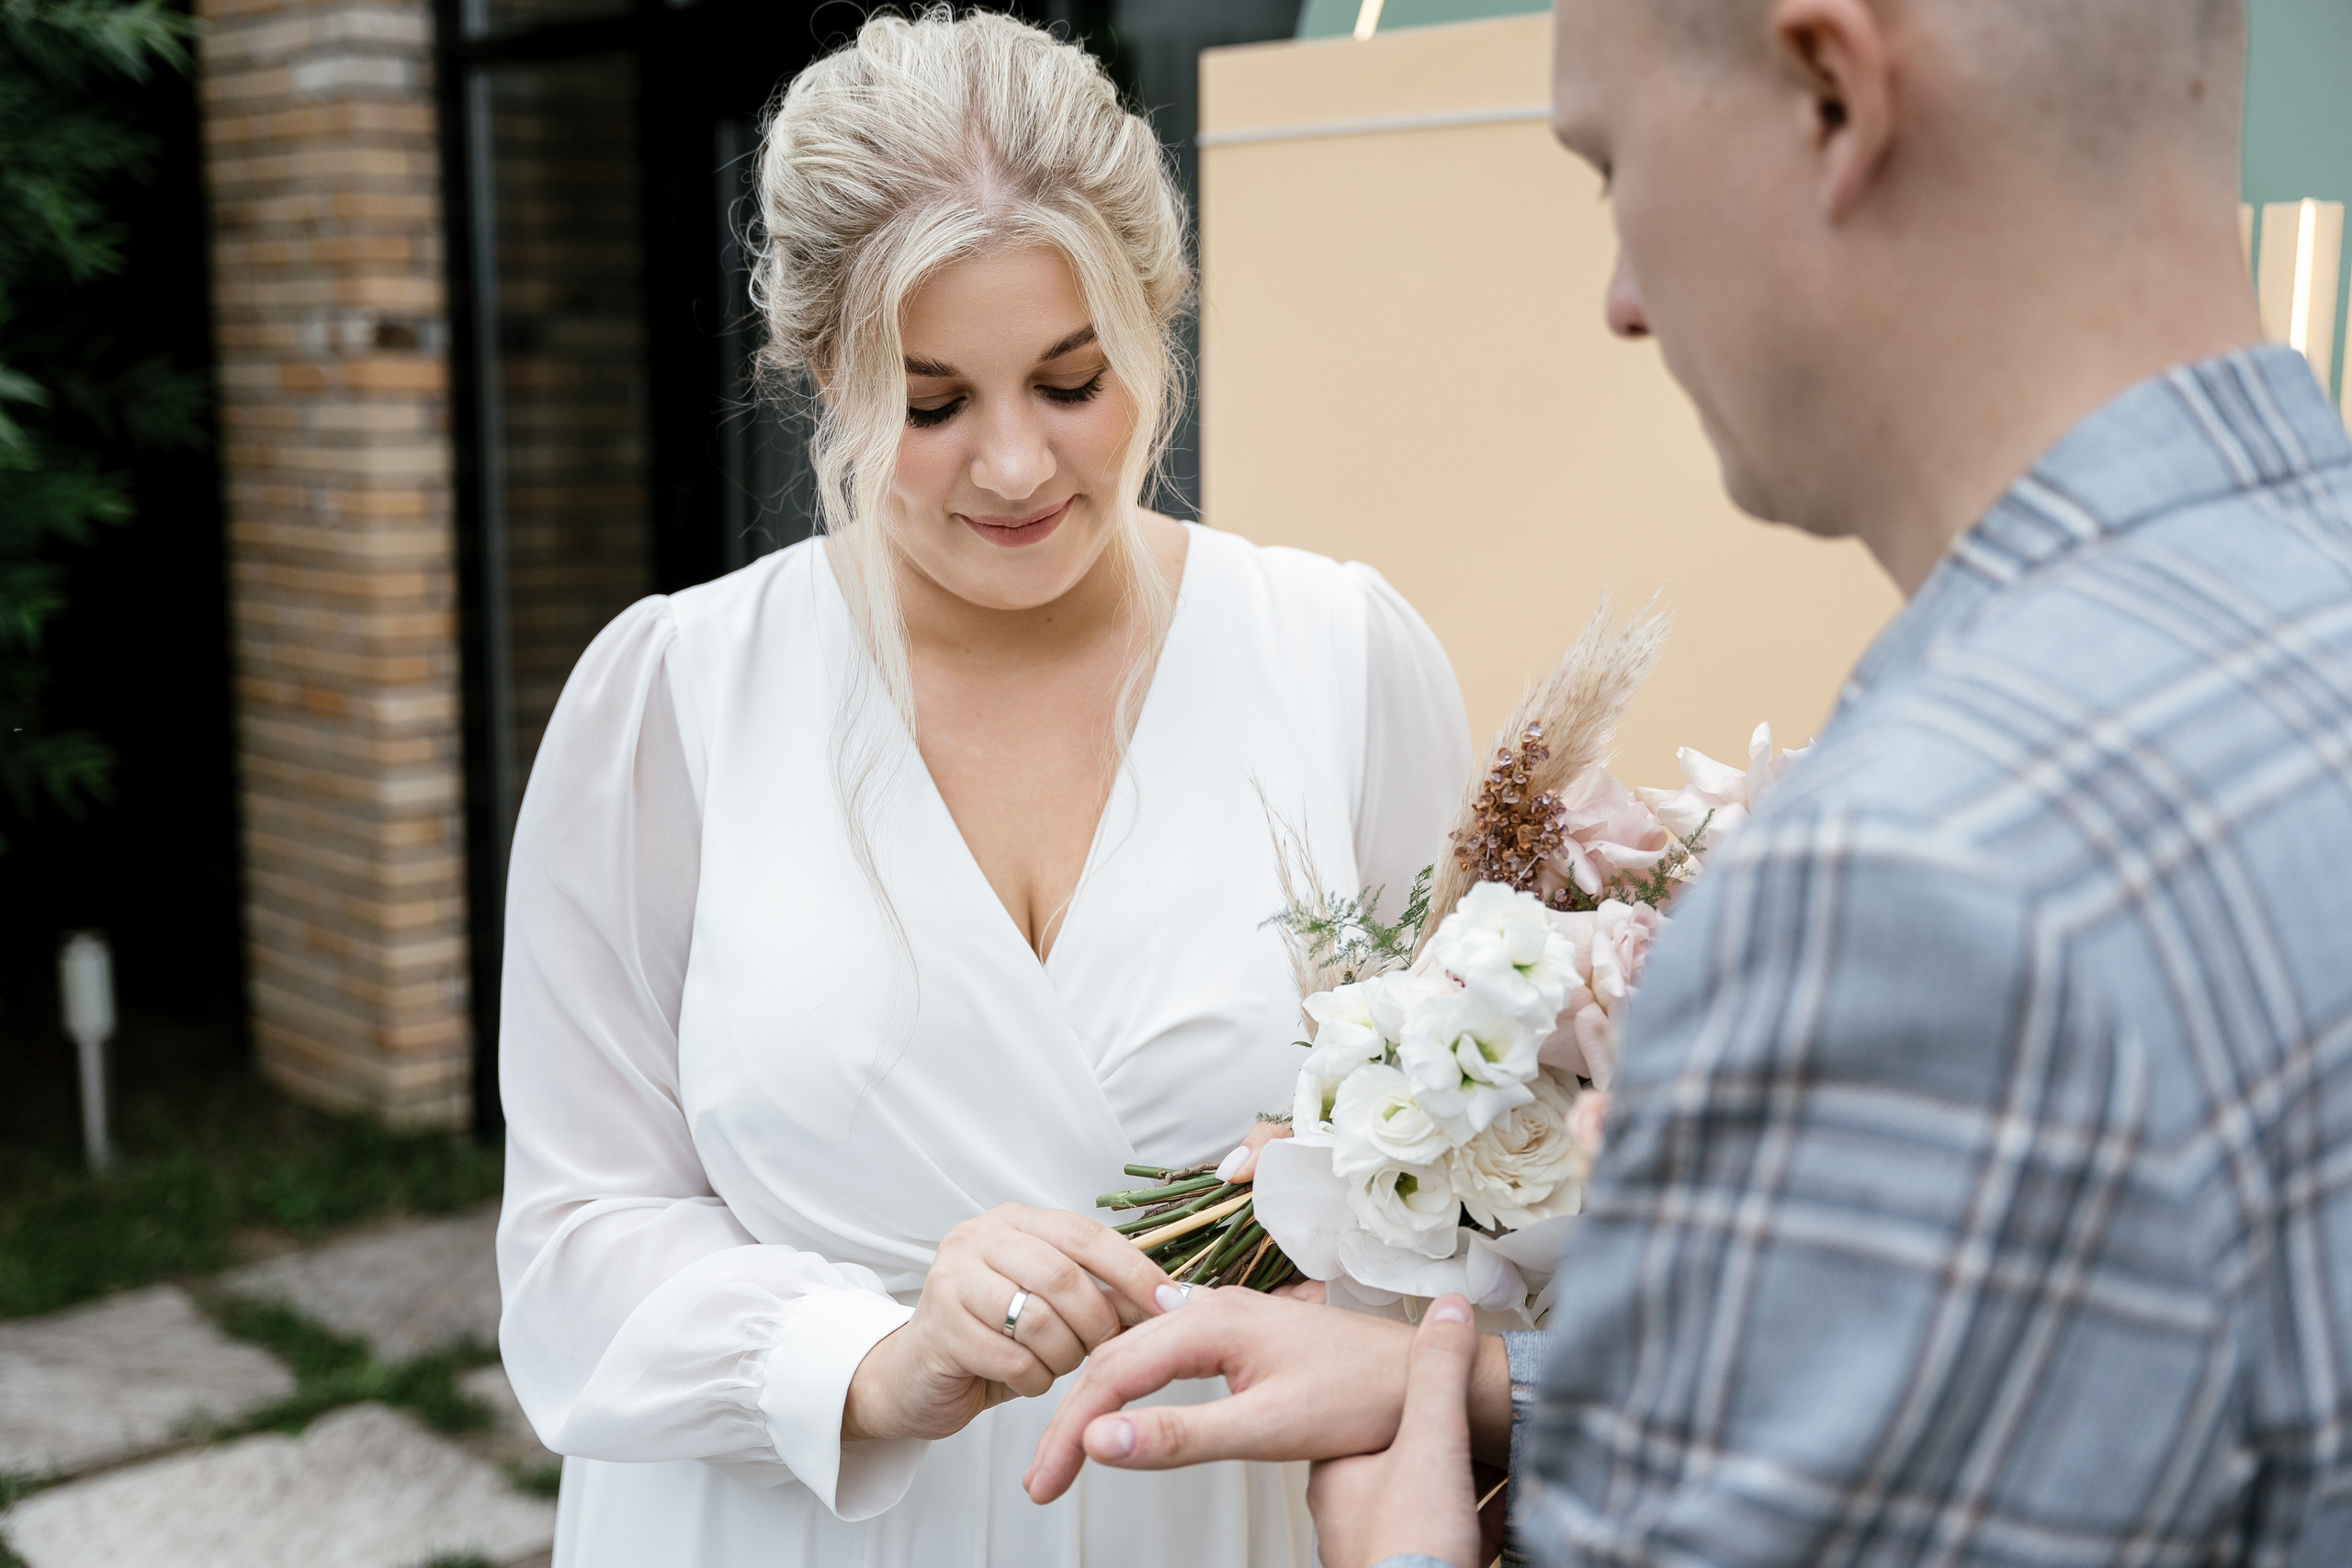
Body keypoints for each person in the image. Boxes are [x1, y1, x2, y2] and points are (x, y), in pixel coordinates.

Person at [1027, 0, 2352, 1563]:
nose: (1621, 299)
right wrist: (1493, 1383)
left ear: (1830, 94)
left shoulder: (1918, 886)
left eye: (1610, 163)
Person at [491, 9, 1471, 1566]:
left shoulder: (1342, 659)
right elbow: (572, 1242)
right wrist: (872, 1365)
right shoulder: (669, 699)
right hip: (789, 1523)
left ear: (1156, 323)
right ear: (821, 374)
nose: (1014, 468)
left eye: (1071, 383)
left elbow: (1463, 1176)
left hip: (1205, 1514)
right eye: (933, 404)